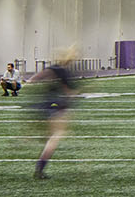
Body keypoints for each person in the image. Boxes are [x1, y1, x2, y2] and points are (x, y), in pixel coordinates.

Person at [29, 50, 80, 179]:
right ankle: (40, 169)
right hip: (58, 107)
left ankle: (40, 165)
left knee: (49, 137)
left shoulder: (51, 69)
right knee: (55, 137)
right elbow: (69, 93)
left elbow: (32, 80)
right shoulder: (64, 72)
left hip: (45, 106)